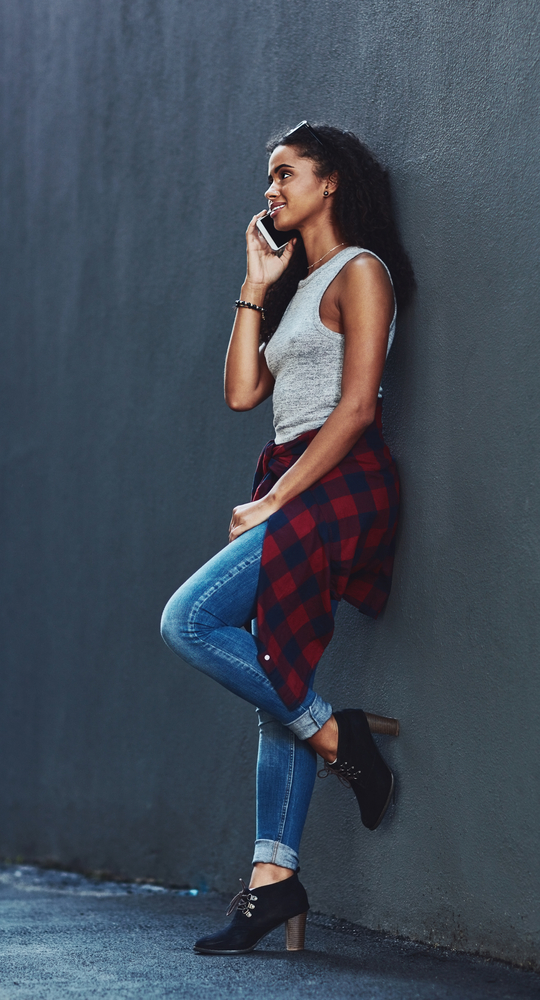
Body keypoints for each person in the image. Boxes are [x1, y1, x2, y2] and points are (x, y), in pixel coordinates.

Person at [160, 121, 414, 955]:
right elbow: (242, 392)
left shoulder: (359, 271)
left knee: (189, 622)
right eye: (269, 177)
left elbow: (357, 407)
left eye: (285, 172)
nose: (270, 189)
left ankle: (334, 734)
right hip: (295, 477)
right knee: (281, 668)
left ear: (330, 180)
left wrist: (275, 502)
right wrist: (253, 282)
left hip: (337, 481)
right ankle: (274, 881)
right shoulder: (298, 283)